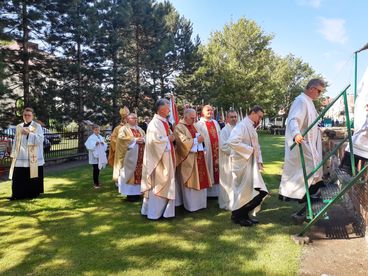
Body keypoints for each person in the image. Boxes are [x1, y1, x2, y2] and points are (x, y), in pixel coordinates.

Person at [278, 79, 326, 220]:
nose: (319, 94)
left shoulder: (309, 102)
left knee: (315, 170)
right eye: (319, 91)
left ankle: (312, 200)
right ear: (311, 88)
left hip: (310, 144)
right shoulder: (300, 101)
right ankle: (305, 198)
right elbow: (293, 120)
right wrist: (296, 134)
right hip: (302, 143)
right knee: (308, 170)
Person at [227, 106, 268, 227]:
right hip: (242, 164)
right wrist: (249, 151)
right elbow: (232, 141)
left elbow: (257, 145)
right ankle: (238, 216)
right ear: (253, 113)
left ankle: (241, 215)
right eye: (259, 116)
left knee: (255, 192)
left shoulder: (250, 126)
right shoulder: (242, 126)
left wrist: (259, 160)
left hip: (250, 164)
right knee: (247, 192)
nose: (260, 119)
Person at [141, 99, 176, 219]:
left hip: (166, 157)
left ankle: (165, 211)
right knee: (158, 183)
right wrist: (168, 139)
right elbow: (154, 141)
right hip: (158, 160)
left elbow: (166, 137)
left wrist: (170, 138)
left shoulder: (163, 121)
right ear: (161, 109)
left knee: (167, 182)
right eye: (168, 108)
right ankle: (155, 213)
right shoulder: (154, 123)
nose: (169, 110)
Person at [174, 108, 212, 212]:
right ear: (185, 116)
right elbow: (182, 143)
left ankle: (201, 204)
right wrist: (196, 140)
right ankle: (191, 206)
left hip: (198, 156)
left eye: (195, 117)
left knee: (201, 179)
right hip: (188, 159)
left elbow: (200, 137)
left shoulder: (194, 126)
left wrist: (200, 140)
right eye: (192, 118)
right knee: (191, 181)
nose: (194, 119)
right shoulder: (179, 127)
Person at [9, 107, 45, 200]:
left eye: (29, 115)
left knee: (32, 176)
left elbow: (40, 140)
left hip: (33, 157)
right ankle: (17, 195)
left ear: (32, 116)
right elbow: (15, 142)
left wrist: (29, 134)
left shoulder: (37, 126)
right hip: (20, 156)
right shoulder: (19, 126)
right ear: (22, 116)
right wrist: (13, 154)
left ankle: (32, 194)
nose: (26, 116)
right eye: (25, 115)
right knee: (18, 176)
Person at [115, 113, 145, 202]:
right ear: (128, 119)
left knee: (140, 173)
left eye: (136, 118)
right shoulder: (123, 129)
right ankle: (130, 195)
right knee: (130, 175)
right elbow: (121, 139)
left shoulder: (140, 129)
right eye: (133, 118)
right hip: (130, 158)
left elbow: (145, 136)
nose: (136, 120)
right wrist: (135, 140)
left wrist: (143, 139)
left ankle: (138, 193)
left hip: (140, 156)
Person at [195, 105, 221, 197]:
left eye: (211, 110)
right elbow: (197, 137)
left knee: (217, 169)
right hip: (207, 152)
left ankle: (217, 192)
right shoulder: (199, 124)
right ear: (203, 112)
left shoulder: (215, 122)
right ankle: (208, 193)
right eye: (208, 110)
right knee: (209, 168)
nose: (210, 112)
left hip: (217, 150)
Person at [219, 110, 238, 210]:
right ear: (227, 118)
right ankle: (228, 203)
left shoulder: (239, 129)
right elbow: (223, 146)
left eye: (235, 117)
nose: (234, 119)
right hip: (228, 160)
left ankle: (238, 202)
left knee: (237, 182)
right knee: (228, 181)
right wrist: (238, 150)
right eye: (231, 117)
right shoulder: (224, 131)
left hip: (239, 161)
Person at [108, 107, 129, 183]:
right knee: (120, 166)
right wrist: (120, 145)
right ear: (123, 119)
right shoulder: (118, 128)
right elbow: (113, 138)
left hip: (130, 151)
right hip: (121, 151)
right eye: (125, 118)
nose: (127, 120)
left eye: (128, 117)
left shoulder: (131, 128)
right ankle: (119, 181)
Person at [85, 124, 108, 189]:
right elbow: (88, 146)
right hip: (94, 156)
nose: (97, 131)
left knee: (98, 169)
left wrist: (103, 144)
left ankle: (97, 181)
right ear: (93, 130)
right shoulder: (91, 137)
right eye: (96, 130)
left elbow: (105, 145)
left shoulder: (100, 137)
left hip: (100, 155)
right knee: (95, 169)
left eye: (98, 130)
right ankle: (96, 183)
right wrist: (95, 144)